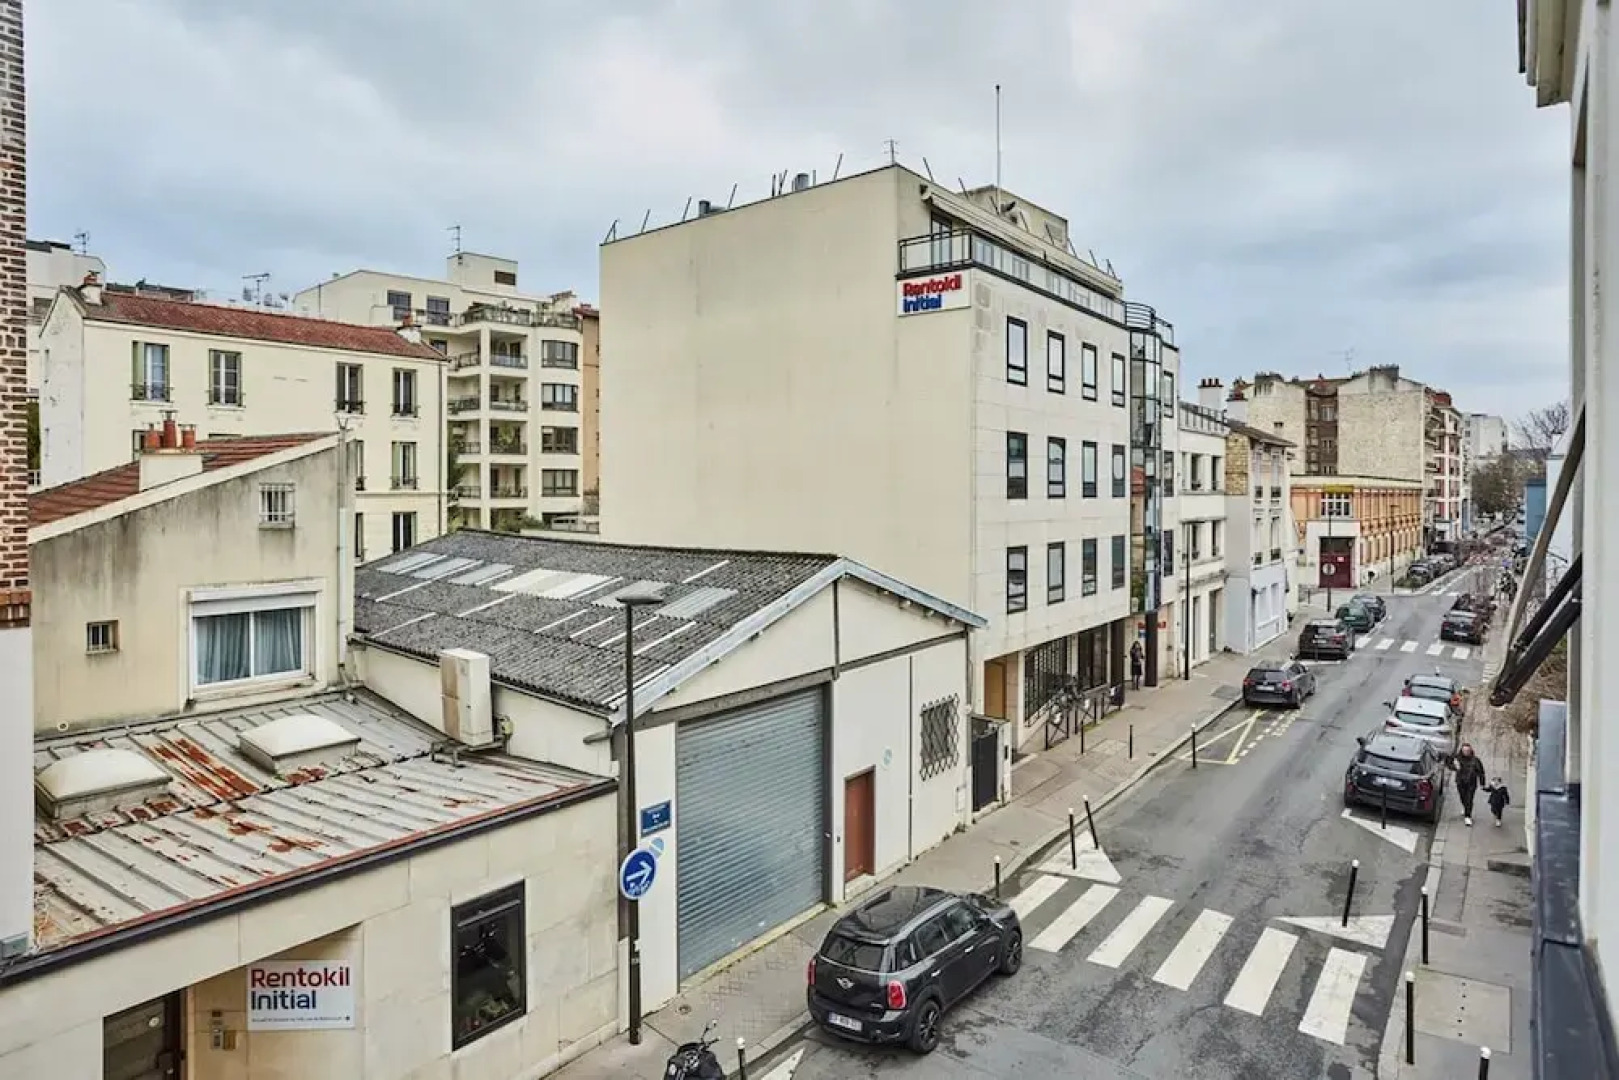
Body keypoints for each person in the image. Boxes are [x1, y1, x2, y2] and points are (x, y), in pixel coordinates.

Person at [1450, 743, 1487, 826]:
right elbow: (1449, 764)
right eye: (1464, 750)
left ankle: (1468, 816)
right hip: (1460, 782)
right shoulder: (1457, 759)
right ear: (1462, 751)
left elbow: (1481, 772)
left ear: (1470, 751)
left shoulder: (1475, 760)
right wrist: (1455, 766)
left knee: (1469, 799)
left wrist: (1482, 783)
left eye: (1468, 750)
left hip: (1471, 783)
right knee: (1463, 797)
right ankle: (1465, 807)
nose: (1466, 752)